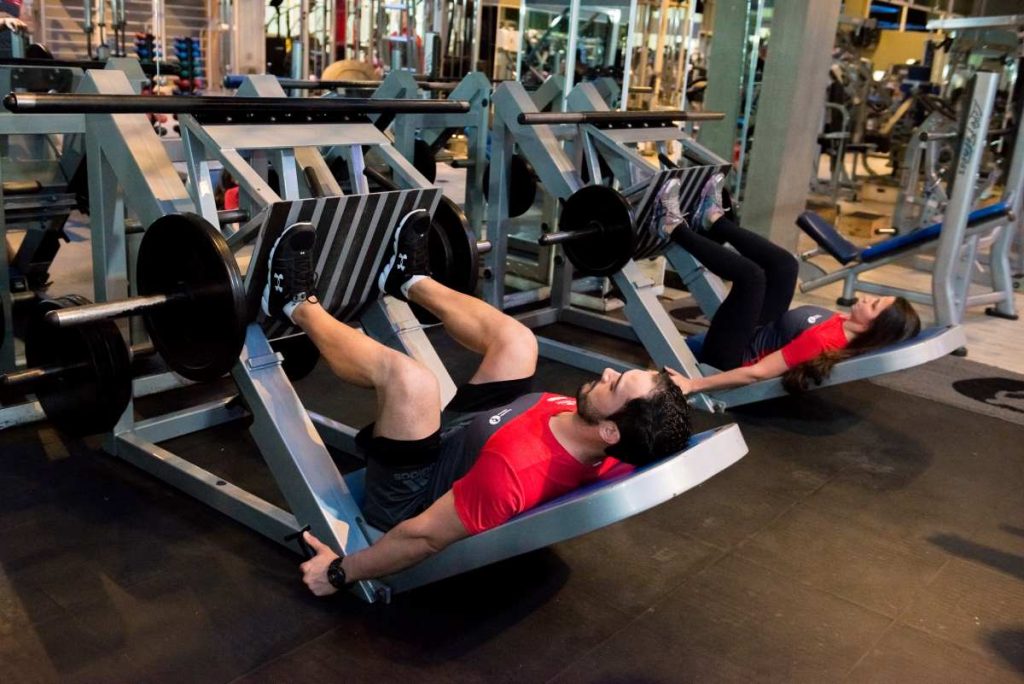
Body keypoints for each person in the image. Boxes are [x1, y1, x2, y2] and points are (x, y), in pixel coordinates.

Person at [259, 209, 692, 596]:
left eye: (616, 386)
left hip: (413, 496)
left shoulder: (515, 473)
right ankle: (409, 280)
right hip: (484, 433)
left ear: (610, 431)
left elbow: (423, 538)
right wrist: (683, 393)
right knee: (518, 341)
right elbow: (667, 437)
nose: (609, 374)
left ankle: (293, 304)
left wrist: (340, 572)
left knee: (412, 381)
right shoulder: (622, 439)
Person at [660, 174, 921, 395]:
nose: (866, 298)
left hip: (730, 359)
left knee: (750, 277)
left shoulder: (824, 341)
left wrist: (694, 384)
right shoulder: (849, 327)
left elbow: (756, 373)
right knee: (786, 266)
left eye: (873, 305)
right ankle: (714, 222)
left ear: (871, 327)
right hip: (759, 334)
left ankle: (671, 227)